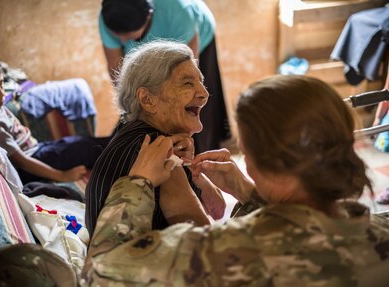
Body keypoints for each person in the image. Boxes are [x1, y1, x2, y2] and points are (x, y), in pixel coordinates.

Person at [83, 75, 389, 286]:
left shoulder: (232, 254)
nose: (202, 92)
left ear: (254, 162)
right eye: (187, 82)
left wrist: (138, 182)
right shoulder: (378, 231)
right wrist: (248, 193)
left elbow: (101, 269)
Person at [85, 40, 226, 237]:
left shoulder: (135, 132)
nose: (204, 93)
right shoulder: (154, 145)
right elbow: (204, 239)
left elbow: (218, 210)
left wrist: (193, 170)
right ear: (147, 100)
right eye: (187, 83)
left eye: (200, 81)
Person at [0, 46, 110, 184]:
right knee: (87, 148)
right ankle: (124, 152)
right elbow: (22, 161)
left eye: (2, 84)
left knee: (79, 142)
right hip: (31, 163)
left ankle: (121, 145)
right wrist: (61, 176)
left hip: (37, 148)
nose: (2, 93)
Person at [99, 0, 231, 153]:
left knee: (191, 103)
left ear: (148, 18)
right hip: (148, 53)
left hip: (195, 36)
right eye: (118, 36)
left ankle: (200, 156)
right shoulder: (109, 15)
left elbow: (187, 74)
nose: (122, 41)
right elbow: (117, 70)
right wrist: (132, 107)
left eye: (128, 36)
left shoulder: (179, 13)